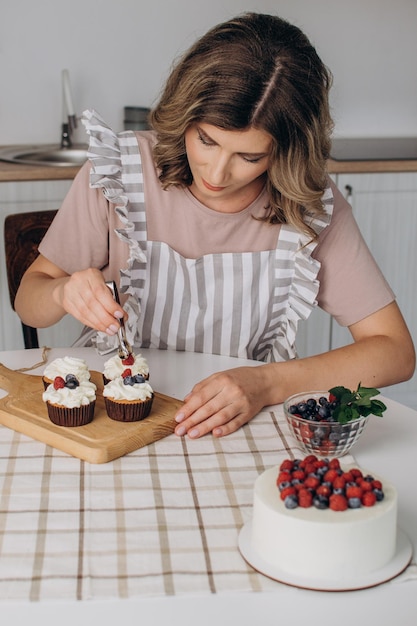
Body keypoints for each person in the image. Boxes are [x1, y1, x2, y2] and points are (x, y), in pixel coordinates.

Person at [15, 12, 415, 440]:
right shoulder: (120, 171)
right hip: (111, 419)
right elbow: (29, 301)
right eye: (206, 140)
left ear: (286, 153)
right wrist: (63, 290)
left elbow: (395, 352)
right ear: (184, 112)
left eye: (250, 157)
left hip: (238, 419)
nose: (217, 174)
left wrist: (268, 382)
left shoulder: (307, 207)